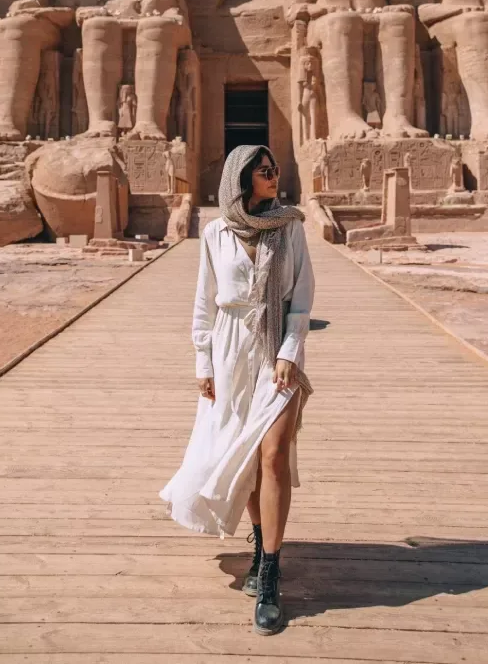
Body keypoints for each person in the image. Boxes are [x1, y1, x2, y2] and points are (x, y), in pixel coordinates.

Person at [160, 144, 315, 636]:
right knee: (246, 457)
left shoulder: (290, 226)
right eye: (265, 172)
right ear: (243, 179)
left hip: (276, 352)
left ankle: (269, 573)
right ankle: (260, 541)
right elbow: (205, 304)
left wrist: (290, 350)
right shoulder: (215, 232)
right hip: (229, 354)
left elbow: (302, 297)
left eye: (274, 170)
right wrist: (202, 361)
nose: (275, 177)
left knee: (272, 455)